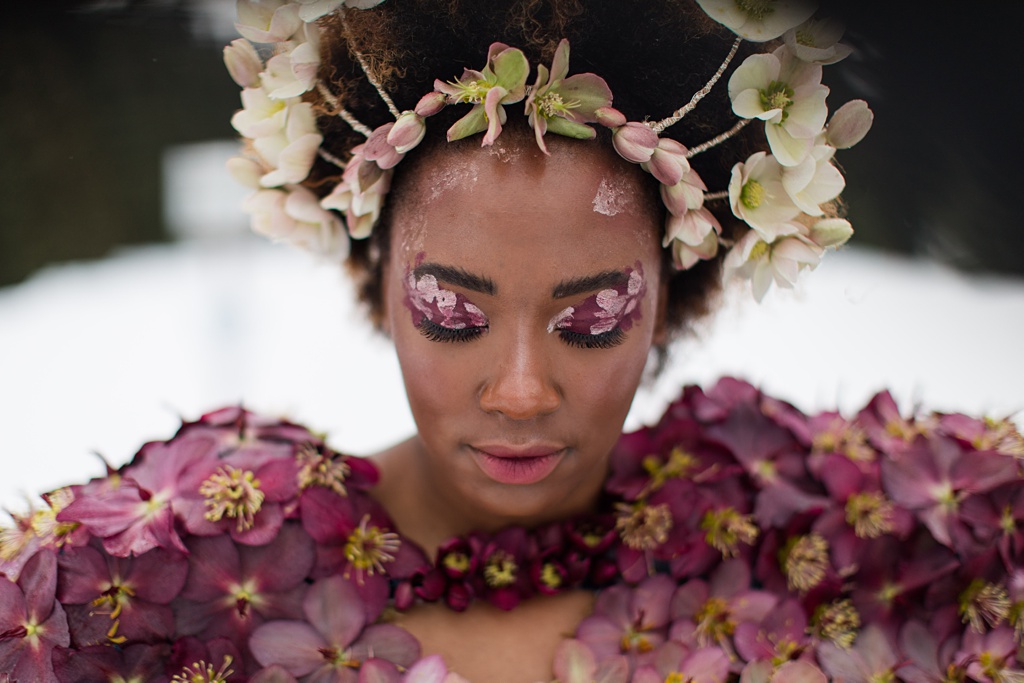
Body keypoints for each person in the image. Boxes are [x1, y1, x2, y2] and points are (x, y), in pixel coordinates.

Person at [2, 1, 1022, 682]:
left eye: (591, 319)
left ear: (671, 299)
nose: (522, 390)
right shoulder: (169, 579)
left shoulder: (826, 541)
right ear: (380, 282)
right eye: (454, 314)